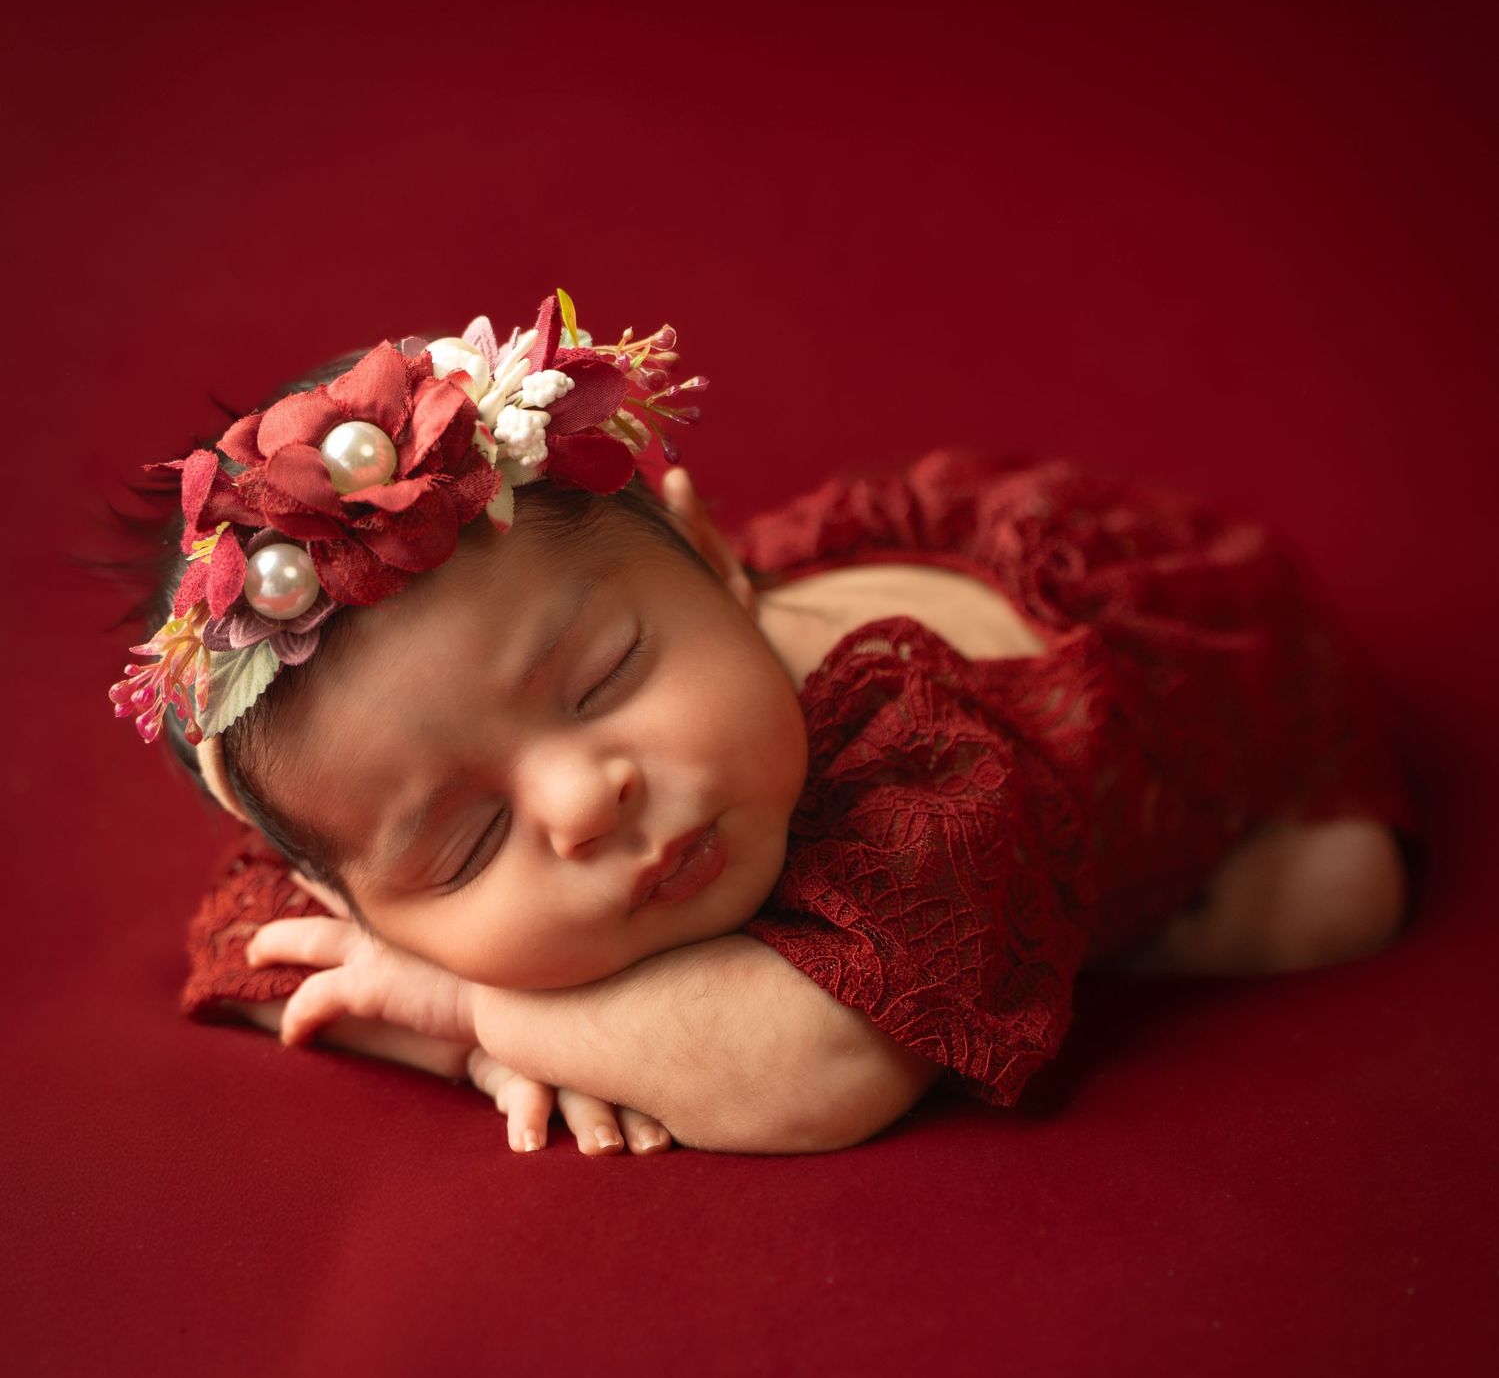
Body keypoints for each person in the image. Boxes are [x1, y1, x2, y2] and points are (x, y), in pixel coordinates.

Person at [104, 291, 1426, 1157]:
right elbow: (258, 956)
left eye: (607, 678)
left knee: (1339, 893)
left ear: (716, 558)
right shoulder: (353, 814)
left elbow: (823, 1066)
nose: (583, 803)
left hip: (1173, 716)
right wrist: (421, 980)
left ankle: (1163, 907)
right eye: (464, 845)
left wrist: (469, 1008)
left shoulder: (921, 755)